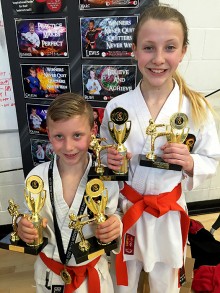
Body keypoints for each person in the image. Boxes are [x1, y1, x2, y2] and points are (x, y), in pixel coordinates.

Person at [100, 4, 220, 293]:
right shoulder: (118, 107)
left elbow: (211, 160)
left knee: (165, 285)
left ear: (183, 51)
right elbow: (103, 154)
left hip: (167, 213)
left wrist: (190, 162)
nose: (158, 59)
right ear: (134, 50)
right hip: (127, 209)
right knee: (122, 284)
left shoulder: (197, 108)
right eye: (148, 47)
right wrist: (110, 159)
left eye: (169, 47)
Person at [17, 93, 122, 293]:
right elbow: (27, 215)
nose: (68, 146)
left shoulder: (105, 179)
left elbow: (113, 214)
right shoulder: (36, 177)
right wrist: (24, 227)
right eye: (59, 137)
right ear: (48, 134)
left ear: (92, 131)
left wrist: (115, 225)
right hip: (50, 273)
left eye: (77, 135)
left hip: (92, 273)